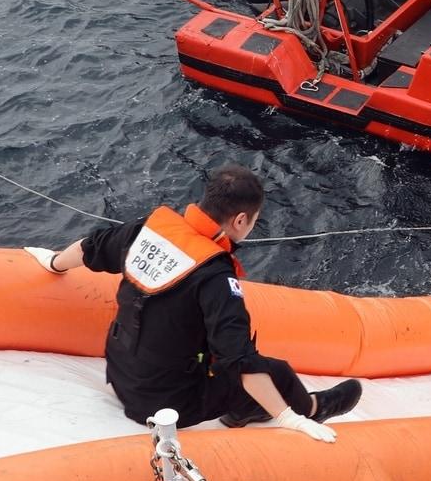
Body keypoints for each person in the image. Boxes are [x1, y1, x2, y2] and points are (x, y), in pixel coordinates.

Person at [24, 165, 360, 441]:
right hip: (165, 403)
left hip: (120, 373)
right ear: (241, 220)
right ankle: (312, 408)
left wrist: (53, 263)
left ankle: (242, 411)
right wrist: (289, 418)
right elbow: (239, 359)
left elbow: (91, 247)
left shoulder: (150, 230)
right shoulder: (215, 277)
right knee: (277, 372)